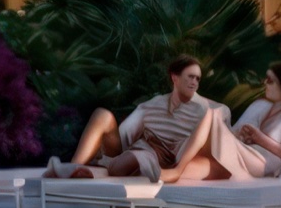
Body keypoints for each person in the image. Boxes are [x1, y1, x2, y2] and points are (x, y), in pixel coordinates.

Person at [48, 55, 229, 182]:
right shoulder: (156, 103)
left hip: (156, 156)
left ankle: (98, 170)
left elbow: (222, 116)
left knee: (132, 159)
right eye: (190, 77)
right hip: (133, 146)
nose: (194, 83)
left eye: (197, 79)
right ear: (175, 78)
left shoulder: (205, 108)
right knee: (102, 114)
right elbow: (128, 129)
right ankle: (73, 167)